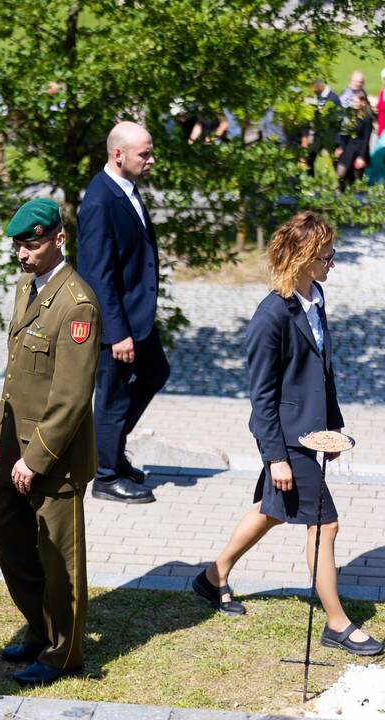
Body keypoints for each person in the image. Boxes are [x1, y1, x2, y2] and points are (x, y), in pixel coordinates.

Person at [193, 211, 383, 658]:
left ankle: (212, 576)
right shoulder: (270, 317)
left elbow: (322, 370)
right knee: (325, 524)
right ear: (302, 259)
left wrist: (332, 427)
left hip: (312, 434)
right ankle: (336, 624)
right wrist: (275, 456)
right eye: (325, 255)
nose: (332, 262)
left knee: (272, 510)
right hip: (288, 440)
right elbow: (261, 398)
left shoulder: (314, 297)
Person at [0, 198, 101, 687]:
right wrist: (0, 432)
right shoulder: (28, 287)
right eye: (18, 244)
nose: (23, 253)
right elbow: (17, 371)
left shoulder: (77, 303)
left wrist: (35, 459)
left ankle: (64, 652)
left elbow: (72, 395)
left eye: (32, 243)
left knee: (60, 558)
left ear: (59, 239)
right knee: (8, 535)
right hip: (15, 442)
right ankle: (39, 626)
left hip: (53, 455)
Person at [77, 121, 167, 504]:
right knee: (112, 397)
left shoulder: (125, 189)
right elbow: (97, 274)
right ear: (118, 155)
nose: (150, 160)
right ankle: (106, 476)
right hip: (118, 324)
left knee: (155, 371)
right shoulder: (99, 201)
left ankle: (109, 450)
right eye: (143, 154)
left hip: (137, 316)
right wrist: (116, 334)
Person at [334, 91, 373, 191]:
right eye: (352, 101)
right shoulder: (350, 113)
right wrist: (341, 147)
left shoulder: (367, 118)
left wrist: (362, 157)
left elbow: (366, 139)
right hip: (349, 147)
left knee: (356, 179)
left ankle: (355, 198)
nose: (353, 103)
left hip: (359, 149)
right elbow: (344, 132)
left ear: (363, 102)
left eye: (356, 101)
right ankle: (339, 193)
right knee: (340, 172)